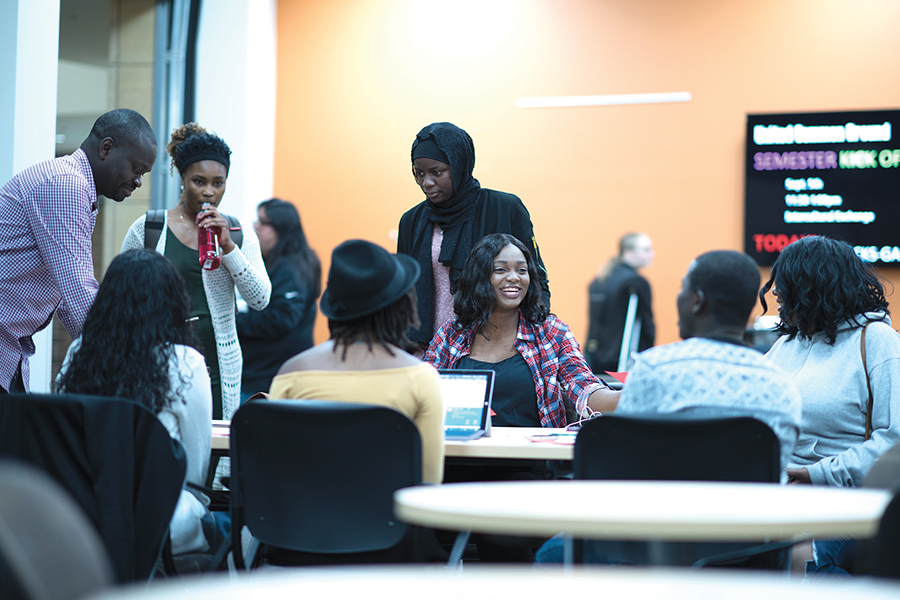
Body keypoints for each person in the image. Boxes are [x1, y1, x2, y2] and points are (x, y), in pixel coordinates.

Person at [55, 249, 217, 556]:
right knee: (222, 526)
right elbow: (195, 473)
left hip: (83, 515)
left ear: (107, 302)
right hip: (159, 523)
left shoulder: (80, 352)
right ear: (172, 303)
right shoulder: (185, 363)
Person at [761, 235, 900, 575]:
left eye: (786, 283)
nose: (775, 292)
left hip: (845, 501)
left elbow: (893, 442)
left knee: (791, 554)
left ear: (814, 286)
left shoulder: (878, 342)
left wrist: (815, 473)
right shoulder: (786, 345)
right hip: (776, 494)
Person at [0, 108, 157, 393]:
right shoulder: (66, 184)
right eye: (136, 168)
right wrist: (131, 360)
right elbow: (79, 293)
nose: (138, 181)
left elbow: (69, 302)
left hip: (11, 348)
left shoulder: (76, 186)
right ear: (107, 148)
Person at [121, 123, 271, 421]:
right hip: (157, 360)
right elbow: (122, 296)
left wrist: (228, 247)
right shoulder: (150, 228)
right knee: (162, 444)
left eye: (218, 183)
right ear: (182, 179)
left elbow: (260, 299)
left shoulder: (239, 234)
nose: (209, 192)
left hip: (217, 363)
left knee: (214, 451)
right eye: (199, 181)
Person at [269, 239, 444, 484]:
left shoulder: (291, 373)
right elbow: (428, 481)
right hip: (391, 520)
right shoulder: (422, 378)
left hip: (304, 520)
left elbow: (274, 469)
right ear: (401, 306)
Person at [617, 250, 802, 471]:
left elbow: (623, 463)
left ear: (697, 301)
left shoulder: (652, 369)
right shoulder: (782, 388)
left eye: (682, 287)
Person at [426, 233, 618, 428]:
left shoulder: (551, 333)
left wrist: (627, 397)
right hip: (462, 454)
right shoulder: (451, 335)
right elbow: (423, 394)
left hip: (531, 456)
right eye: (500, 270)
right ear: (479, 276)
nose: (514, 278)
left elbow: (585, 388)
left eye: (521, 270)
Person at [397, 122, 550, 354]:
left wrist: (531, 341)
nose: (426, 182)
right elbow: (402, 292)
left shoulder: (504, 208)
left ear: (459, 166)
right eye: (419, 174)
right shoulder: (411, 221)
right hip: (424, 353)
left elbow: (535, 279)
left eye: (436, 172)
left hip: (491, 349)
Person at [237, 198, 321, 400]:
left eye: (263, 223)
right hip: (269, 372)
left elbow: (281, 318)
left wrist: (231, 321)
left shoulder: (290, 267)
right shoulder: (289, 261)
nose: (256, 228)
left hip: (267, 377)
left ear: (282, 229)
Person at [585, 232, 656, 372]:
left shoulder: (600, 279)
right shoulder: (636, 282)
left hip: (594, 357)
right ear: (628, 253)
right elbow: (647, 326)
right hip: (621, 360)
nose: (652, 254)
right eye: (646, 250)